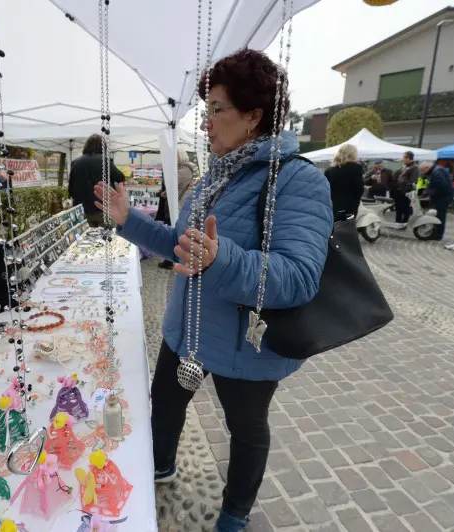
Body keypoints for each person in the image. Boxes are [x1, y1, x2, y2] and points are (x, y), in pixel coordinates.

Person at [94, 49, 332, 532]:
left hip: (245, 348)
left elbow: (300, 275)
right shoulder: (215, 176)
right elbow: (179, 245)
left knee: (245, 431)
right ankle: (160, 466)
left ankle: (235, 512)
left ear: (253, 115)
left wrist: (220, 259)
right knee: (166, 401)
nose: (206, 123)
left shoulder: (297, 180)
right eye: (206, 110)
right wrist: (128, 220)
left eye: (216, 109)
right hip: (187, 335)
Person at [68, 134, 125, 227]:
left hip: (81, 211)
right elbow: (120, 177)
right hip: (103, 208)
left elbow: (71, 188)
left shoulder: (76, 162)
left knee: (84, 240)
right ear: (103, 147)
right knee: (109, 238)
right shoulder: (104, 161)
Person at [158, 149, 200, 270]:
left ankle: (173, 259)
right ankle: (172, 258)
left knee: (176, 231)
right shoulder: (189, 168)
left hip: (180, 205)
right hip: (183, 203)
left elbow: (170, 183)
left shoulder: (184, 170)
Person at [324, 144, 364, 220]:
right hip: (349, 205)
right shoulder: (356, 168)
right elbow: (359, 189)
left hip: (332, 206)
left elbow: (326, 189)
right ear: (352, 154)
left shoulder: (329, 170)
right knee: (346, 228)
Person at [418, 161, 454, 241]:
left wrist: (430, 196)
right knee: (437, 215)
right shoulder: (434, 171)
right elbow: (430, 185)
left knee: (440, 216)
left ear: (427, 168)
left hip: (444, 197)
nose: (422, 172)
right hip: (442, 196)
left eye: (423, 170)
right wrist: (424, 194)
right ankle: (435, 233)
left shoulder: (437, 172)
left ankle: (438, 236)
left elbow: (440, 187)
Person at [392, 151, 418, 223]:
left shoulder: (414, 168)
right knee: (398, 208)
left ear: (408, 158)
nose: (402, 159)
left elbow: (413, 181)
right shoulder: (404, 166)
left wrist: (403, 183)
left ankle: (404, 223)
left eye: (403, 157)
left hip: (406, 192)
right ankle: (398, 222)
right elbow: (395, 177)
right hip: (398, 191)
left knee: (405, 208)